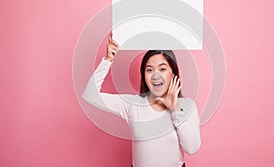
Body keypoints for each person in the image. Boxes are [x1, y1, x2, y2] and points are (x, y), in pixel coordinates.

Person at [82, 33, 201, 167]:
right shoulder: (133, 104)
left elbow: (192, 148)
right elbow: (90, 95)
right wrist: (108, 60)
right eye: (149, 70)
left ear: (173, 73)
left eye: (162, 69)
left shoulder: (187, 106)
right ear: (144, 75)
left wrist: (175, 109)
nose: (156, 75)